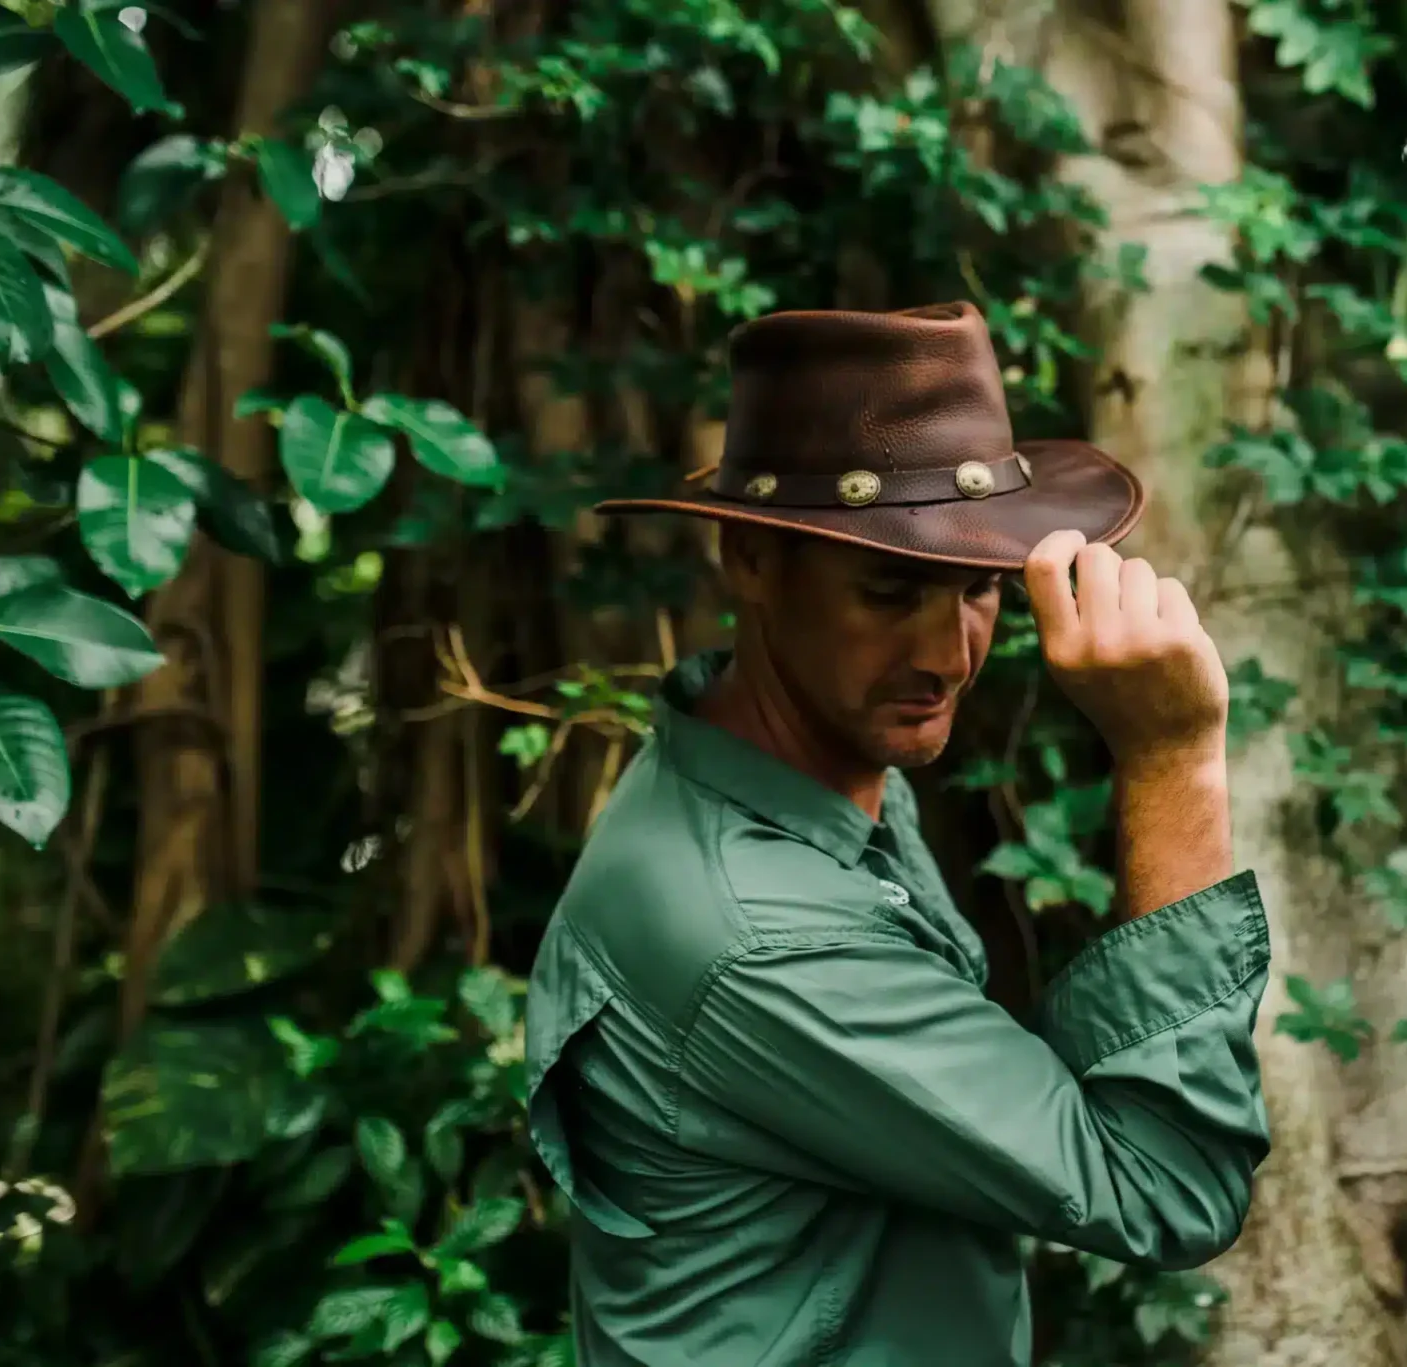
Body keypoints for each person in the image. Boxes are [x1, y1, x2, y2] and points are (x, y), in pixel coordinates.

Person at [523, 301, 1273, 1366]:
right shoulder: (758, 932)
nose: (949, 653)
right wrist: (1174, 760)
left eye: (978, 589)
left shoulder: (770, 770)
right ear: (749, 557)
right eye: (888, 591)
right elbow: (1163, 1186)